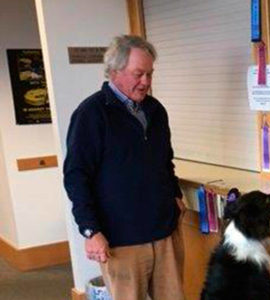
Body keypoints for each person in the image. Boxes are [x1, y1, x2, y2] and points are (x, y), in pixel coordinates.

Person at [64, 35, 185, 300]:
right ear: (115, 71)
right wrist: (90, 230)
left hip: (164, 232)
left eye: (150, 74)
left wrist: (175, 194)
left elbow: (165, 160)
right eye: (138, 74)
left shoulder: (155, 110)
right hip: (122, 240)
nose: (146, 82)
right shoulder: (91, 114)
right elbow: (76, 176)